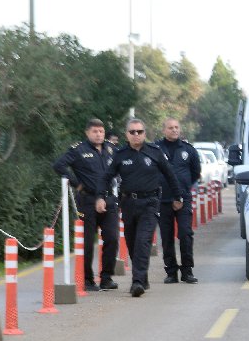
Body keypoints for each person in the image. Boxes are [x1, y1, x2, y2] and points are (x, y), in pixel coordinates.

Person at [107, 118, 184, 296]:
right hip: (128, 203)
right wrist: (100, 197)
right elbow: (107, 176)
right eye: (132, 132)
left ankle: (137, 281)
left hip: (150, 203)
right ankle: (142, 277)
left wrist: (177, 196)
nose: (136, 135)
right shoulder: (120, 154)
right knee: (133, 242)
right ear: (127, 134)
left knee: (143, 241)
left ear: (144, 133)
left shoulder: (154, 152)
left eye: (139, 131)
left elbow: (170, 175)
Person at [53, 118, 119, 291]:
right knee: (88, 242)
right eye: (95, 131)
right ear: (87, 133)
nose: (98, 135)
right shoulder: (78, 150)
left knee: (112, 239)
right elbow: (59, 165)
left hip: (109, 200)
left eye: (101, 131)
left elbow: (120, 167)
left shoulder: (111, 149)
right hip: (87, 201)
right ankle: (88, 280)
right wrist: (77, 184)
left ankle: (106, 278)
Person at [155, 118, 201, 284]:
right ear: (164, 130)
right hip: (163, 199)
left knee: (185, 233)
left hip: (183, 198)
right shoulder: (156, 149)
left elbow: (195, 172)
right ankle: (171, 272)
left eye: (176, 127)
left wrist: (183, 188)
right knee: (166, 236)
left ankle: (187, 270)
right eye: (170, 128)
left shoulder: (188, 150)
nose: (174, 130)